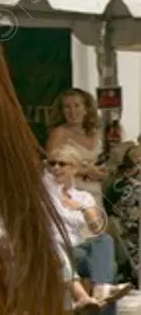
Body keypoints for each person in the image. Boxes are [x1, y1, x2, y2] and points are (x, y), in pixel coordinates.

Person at [47, 144, 131, 309]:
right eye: (52, 163)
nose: (56, 168)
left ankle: (102, 288)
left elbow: (97, 229)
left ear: (75, 169)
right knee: (109, 270)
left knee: (105, 240)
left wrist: (82, 208)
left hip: (76, 251)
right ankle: (102, 289)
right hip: (53, 250)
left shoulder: (84, 197)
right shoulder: (45, 189)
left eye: (62, 164)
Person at [47, 89, 105, 203]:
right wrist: (83, 172)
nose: (72, 111)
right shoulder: (59, 133)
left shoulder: (95, 132)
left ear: (86, 109)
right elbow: (51, 167)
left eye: (77, 106)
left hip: (95, 192)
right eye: (67, 107)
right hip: (70, 194)